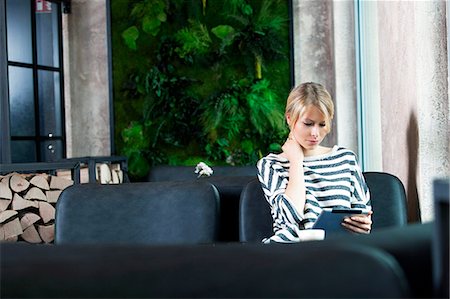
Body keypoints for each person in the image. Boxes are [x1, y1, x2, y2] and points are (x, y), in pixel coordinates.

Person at [257, 82, 372, 243]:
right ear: (290, 118)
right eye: (308, 124)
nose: (315, 133)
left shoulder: (346, 159)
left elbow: (362, 215)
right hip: (291, 253)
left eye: (322, 124)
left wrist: (363, 225)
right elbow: (290, 216)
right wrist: (296, 161)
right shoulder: (271, 165)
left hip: (338, 251)